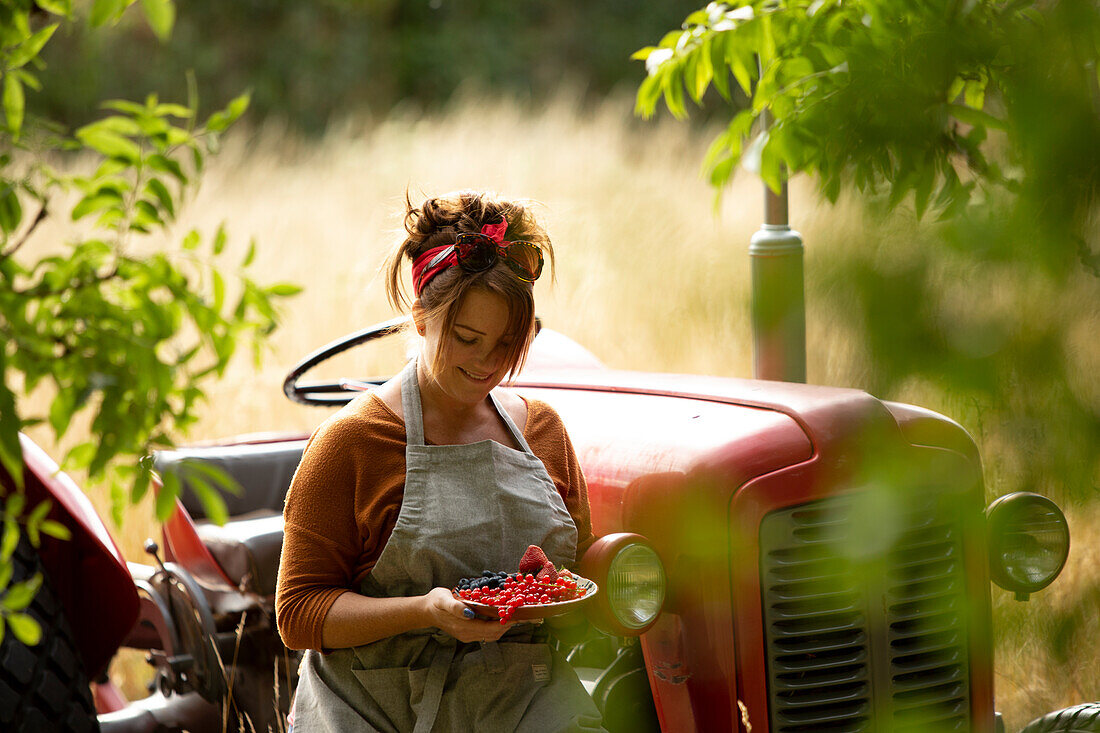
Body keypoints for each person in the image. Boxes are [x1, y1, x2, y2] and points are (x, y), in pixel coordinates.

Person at [275, 191, 604, 732]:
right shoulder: (352, 443)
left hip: (520, 703)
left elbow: (581, 574)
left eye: (507, 344)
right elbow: (299, 614)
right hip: (374, 710)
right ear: (422, 317)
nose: (489, 363)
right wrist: (425, 611)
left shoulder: (542, 431)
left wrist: (559, 584)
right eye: (468, 338)